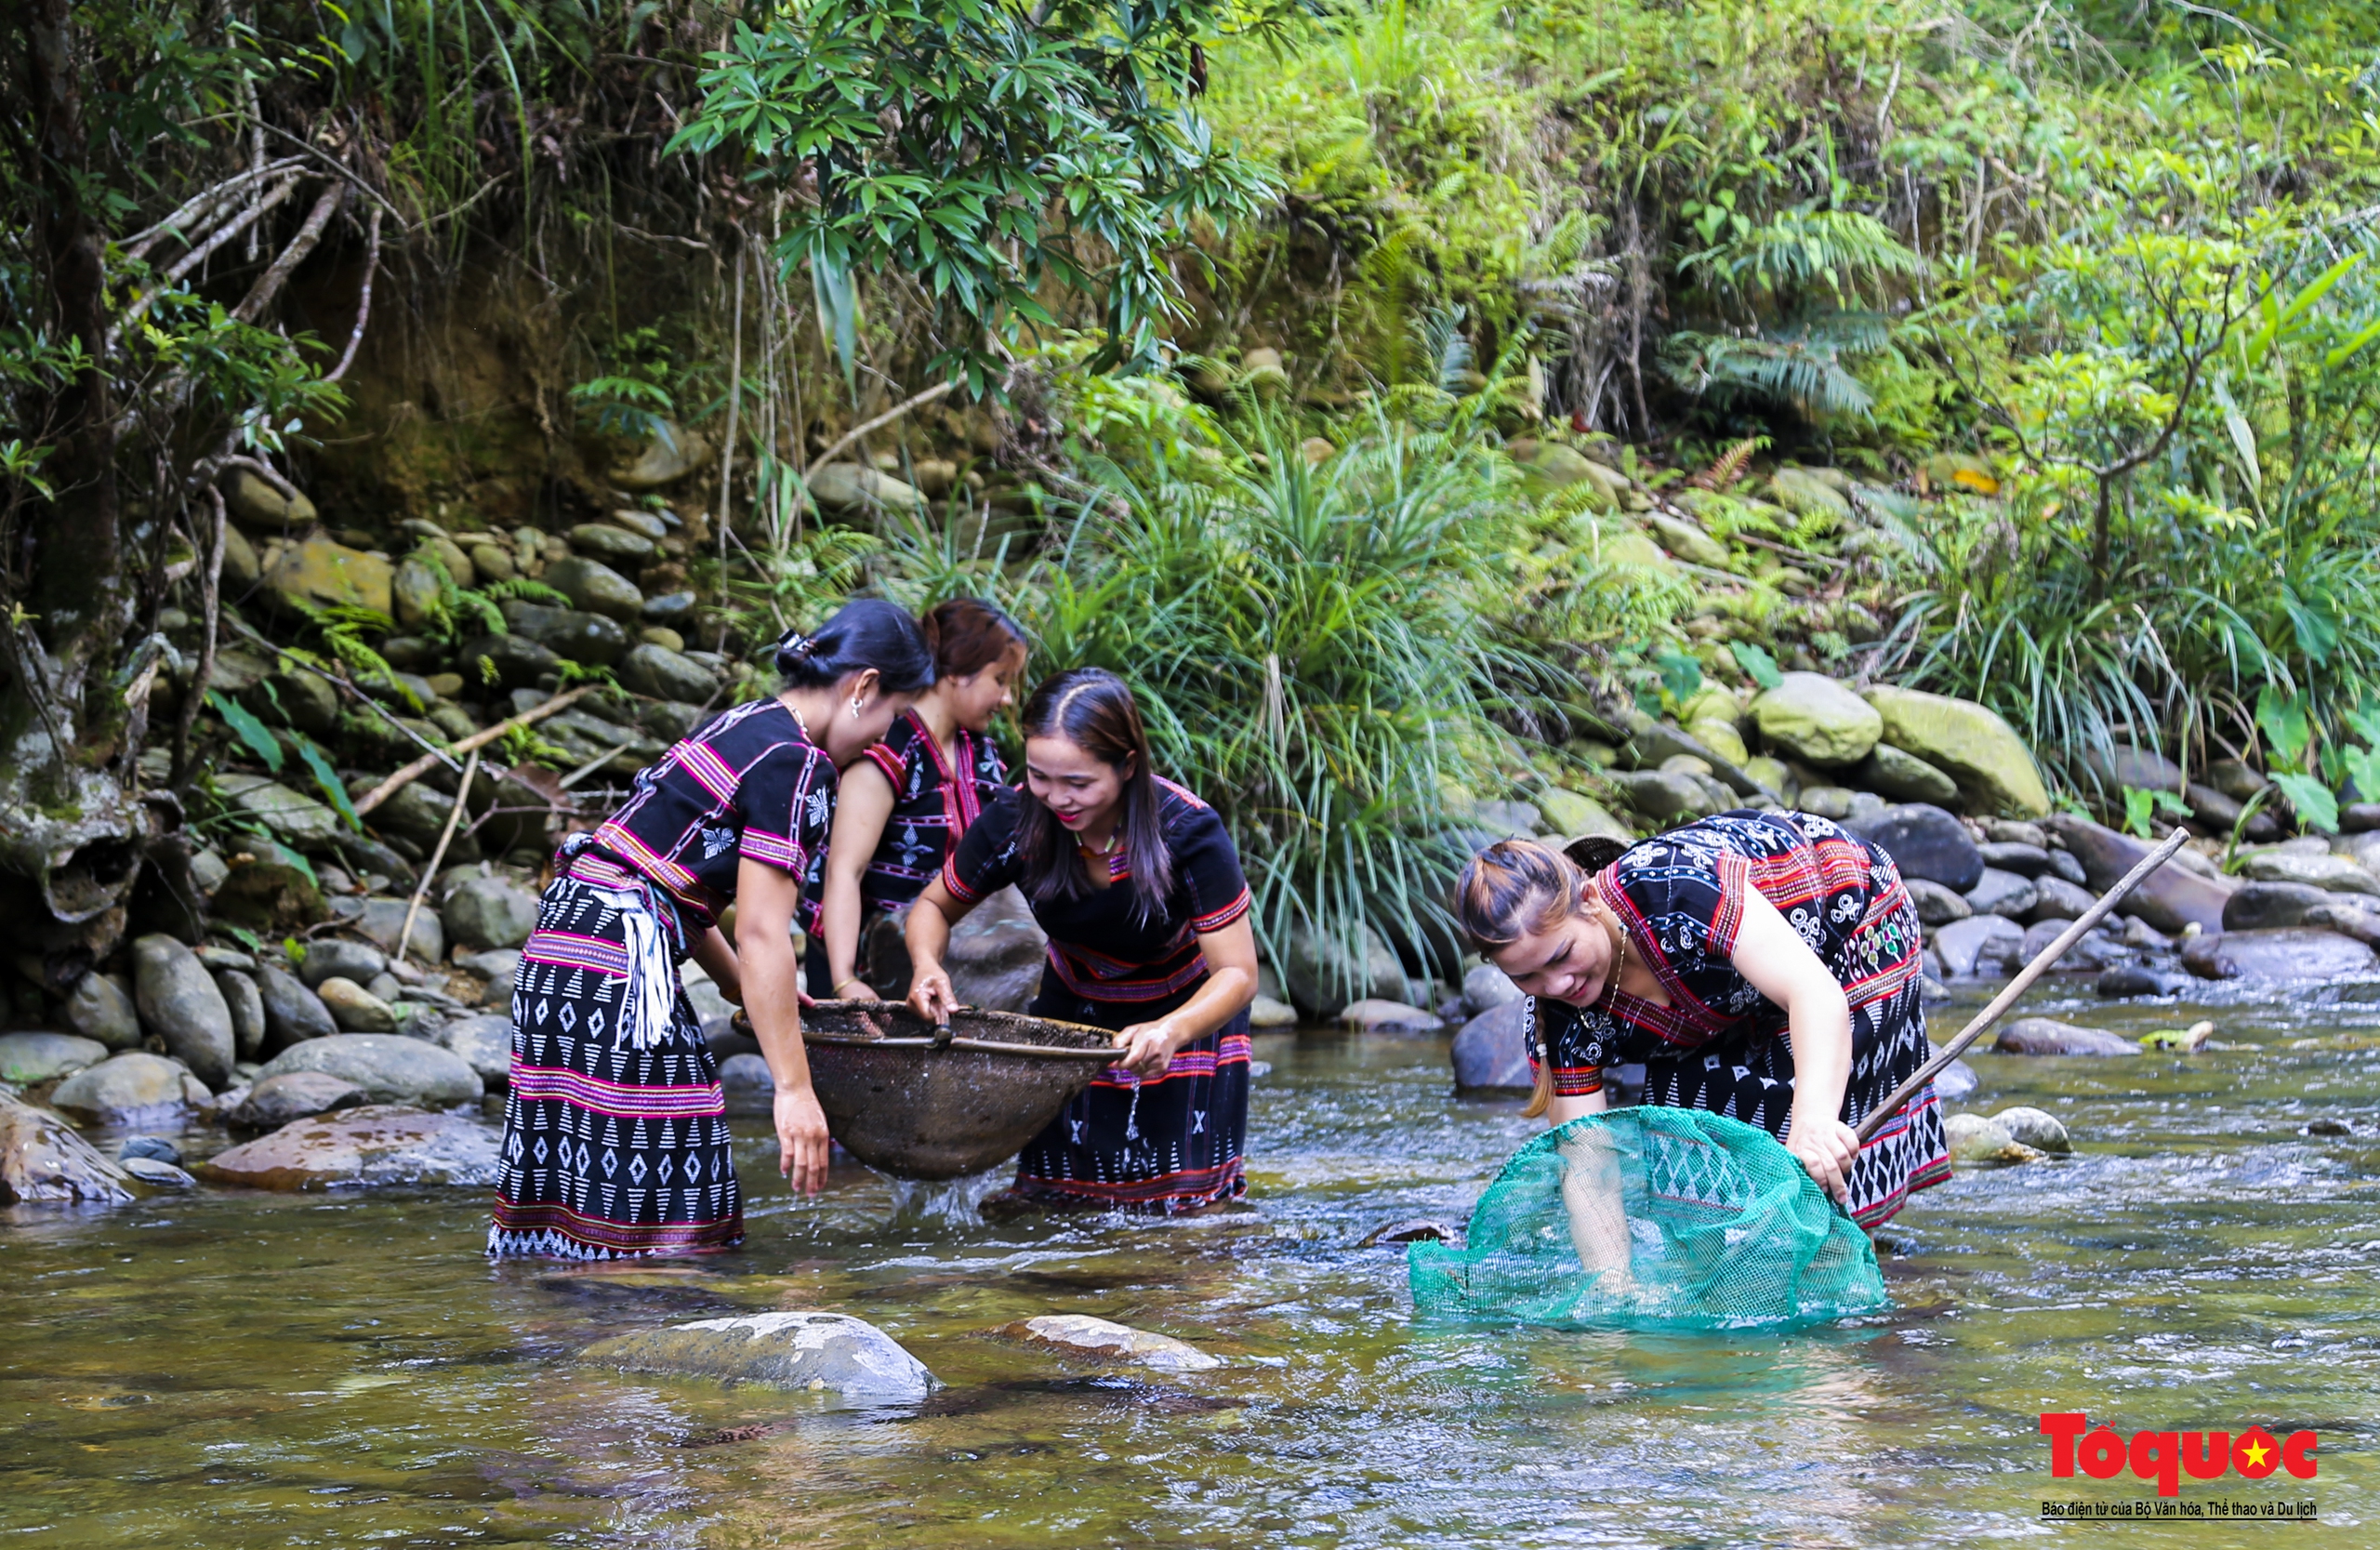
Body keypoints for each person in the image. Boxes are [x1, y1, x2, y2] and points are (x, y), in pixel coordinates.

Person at [487, 599, 935, 1260]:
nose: (883, 739)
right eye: (894, 717)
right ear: (864, 688)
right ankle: (645, 1348)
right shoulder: (799, 764)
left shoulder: (747, 722)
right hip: (621, 966)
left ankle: (557, 1347)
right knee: (674, 1209)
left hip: (562, 949)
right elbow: (761, 932)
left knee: (573, 1199)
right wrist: (794, 1087)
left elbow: (674, 884)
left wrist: (740, 993)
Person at [1453, 812, 1951, 1235]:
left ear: (1588, 901)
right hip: (1720, 1000)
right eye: (1528, 976)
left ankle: (1840, 1259)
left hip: (1848, 925)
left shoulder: (1675, 892)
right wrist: (1612, 1293)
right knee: (1689, 1157)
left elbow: (1813, 995)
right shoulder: (1558, 1020)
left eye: (1562, 956)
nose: (1557, 984)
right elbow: (1589, 1169)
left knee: (1806, 1136)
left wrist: (1813, 1124)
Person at [903, 667, 1259, 1213]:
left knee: (1183, 1210)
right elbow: (933, 905)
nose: (1056, 798)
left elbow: (1237, 973)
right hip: (1074, 1006)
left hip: (1186, 1013)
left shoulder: (1187, 831)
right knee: (1055, 1199)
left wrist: (1171, 1030)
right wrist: (927, 963)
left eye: (1078, 783)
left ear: (1127, 766)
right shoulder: (1018, 817)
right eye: (1040, 776)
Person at [806, 598, 1028, 1001]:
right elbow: (845, 872)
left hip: (953, 952)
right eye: (1000, 679)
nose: (1007, 698)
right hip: (873, 955)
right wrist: (843, 980)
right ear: (958, 671)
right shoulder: (889, 743)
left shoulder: (980, 752)